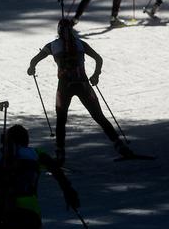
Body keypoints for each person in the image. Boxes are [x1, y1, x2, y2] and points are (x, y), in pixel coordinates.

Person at [27, 18, 133, 165]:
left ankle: (60, 154)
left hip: (64, 87)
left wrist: (31, 69)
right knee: (99, 116)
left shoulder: (52, 46)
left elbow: (34, 60)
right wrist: (96, 75)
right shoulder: (80, 44)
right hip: (83, 85)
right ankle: (120, 146)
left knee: (61, 121)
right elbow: (98, 59)